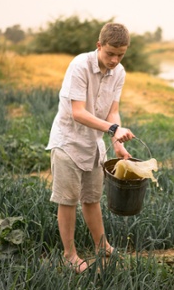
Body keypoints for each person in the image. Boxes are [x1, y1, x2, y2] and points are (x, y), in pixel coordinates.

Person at [46, 22, 135, 273]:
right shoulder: (79, 66)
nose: (115, 60)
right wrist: (112, 130)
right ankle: (70, 255)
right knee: (68, 200)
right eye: (110, 54)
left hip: (94, 144)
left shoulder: (119, 72)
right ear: (99, 46)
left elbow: (113, 111)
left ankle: (102, 245)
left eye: (121, 54)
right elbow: (77, 112)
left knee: (92, 198)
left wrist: (116, 142)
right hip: (68, 142)